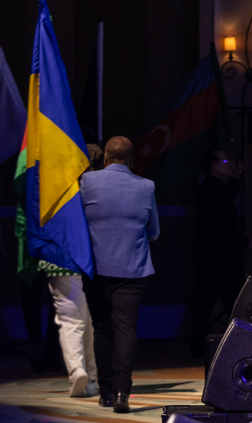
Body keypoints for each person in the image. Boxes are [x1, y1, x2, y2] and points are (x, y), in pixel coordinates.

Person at [80, 136, 160, 413]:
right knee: (126, 329)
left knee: (102, 329)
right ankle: (122, 392)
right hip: (132, 269)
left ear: (105, 158)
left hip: (96, 268)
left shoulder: (87, 182)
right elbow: (154, 231)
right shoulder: (146, 186)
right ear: (131, 160)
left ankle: (105, 393)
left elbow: (77, 222)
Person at [45, 144, 103, 397]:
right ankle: (91, 378)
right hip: (90, 261)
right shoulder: (96, 189)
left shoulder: (56, 187)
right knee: (90, 321)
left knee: (70, 320)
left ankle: (77, 370)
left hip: (59, 260)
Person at [191, 150, 248, 356]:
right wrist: (245, 241)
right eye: (225, 161)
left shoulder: (209, 188)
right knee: (234, 304)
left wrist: (235, 178)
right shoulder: (214, 190)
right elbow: (226, 223)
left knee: (204, 305)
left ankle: (199, 348)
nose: (230, 164)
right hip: (222, 259)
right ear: (214, 166)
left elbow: (224, 200)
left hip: (208, 257)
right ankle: (240, 348)